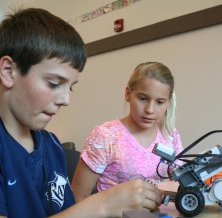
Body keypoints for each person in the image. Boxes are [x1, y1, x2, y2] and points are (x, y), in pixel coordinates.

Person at [0, 8, 162, 218]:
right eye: (54, 84)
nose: (66, 100)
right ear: (9, 71)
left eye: (70, 87)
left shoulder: (52, 145)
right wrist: (102, 205)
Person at [72, 62, 183, 202]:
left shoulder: (171, 135)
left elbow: (182, 182)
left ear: (168, 102)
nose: (150, 109)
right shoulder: (106, 136)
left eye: (160, 102)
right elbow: (78, 196)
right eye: (142, 99)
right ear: (128, 94)